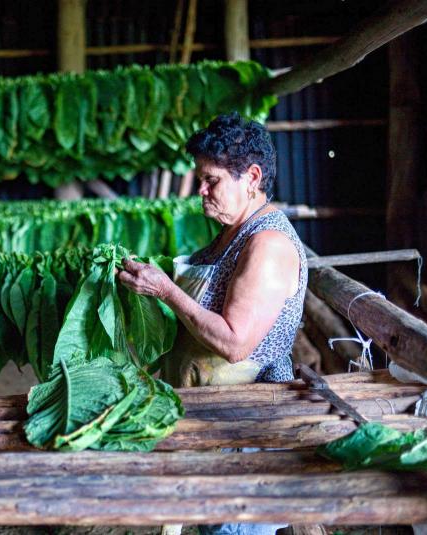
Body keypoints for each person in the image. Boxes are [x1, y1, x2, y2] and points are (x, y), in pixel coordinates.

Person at [118, 112, 308, 534]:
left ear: (252, 177)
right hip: (212, 421)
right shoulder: (232, 231)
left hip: (244, 434)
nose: (200, 191)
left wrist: (166, 290)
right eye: (200, 179)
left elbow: (235, 343)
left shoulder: (268, 244)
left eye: (212, 181)